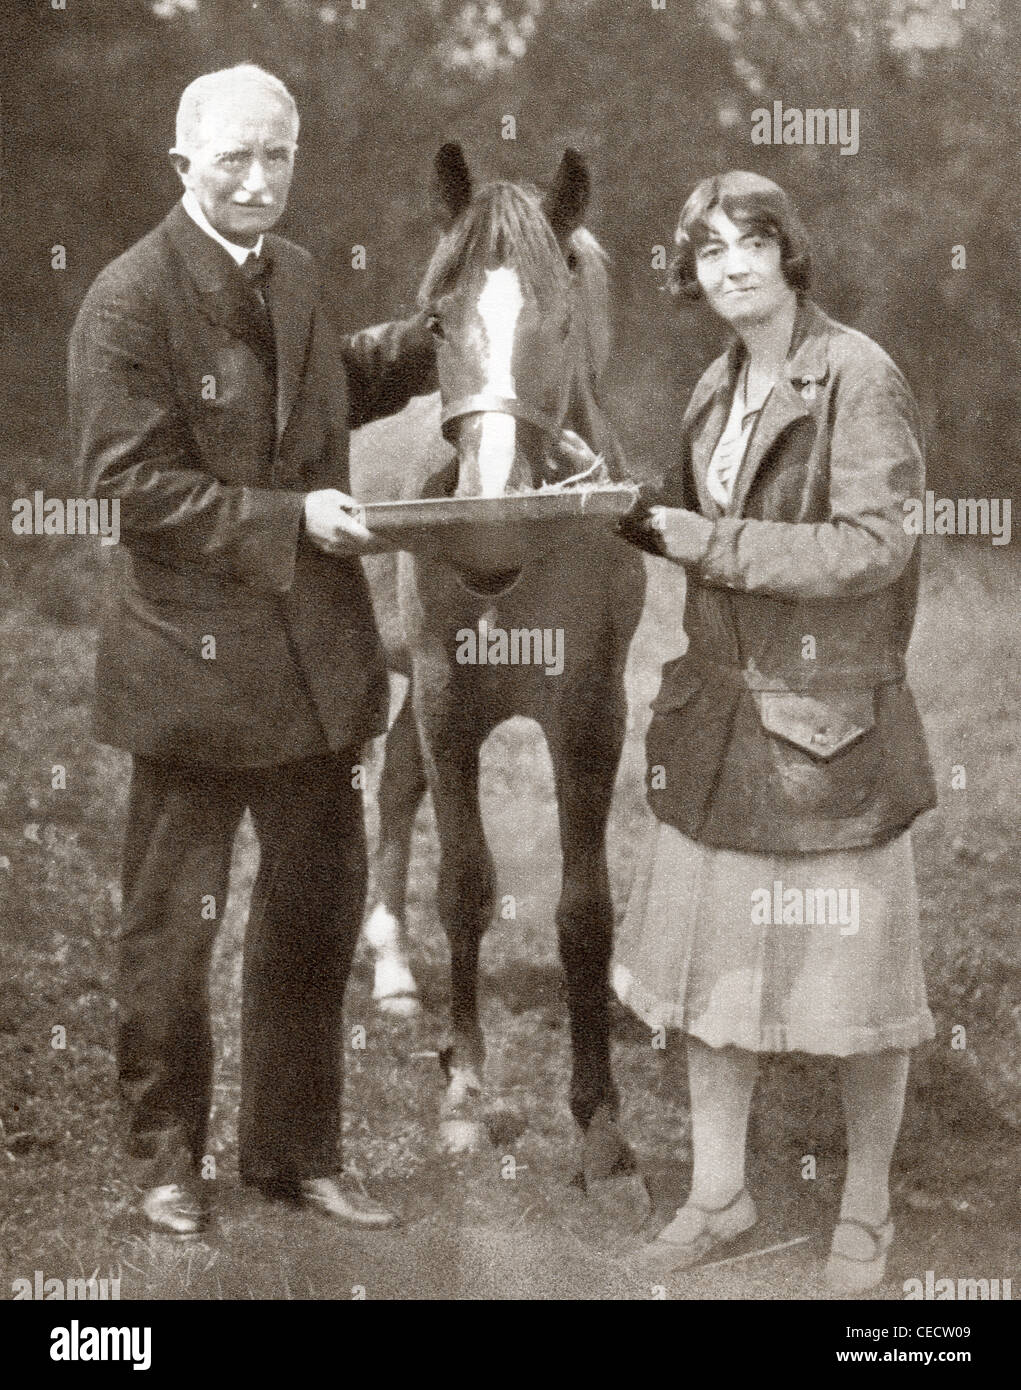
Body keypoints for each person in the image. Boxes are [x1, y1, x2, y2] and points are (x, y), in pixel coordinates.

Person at [67, 65, 436, 1236]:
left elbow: (335, 386)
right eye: (234, 156)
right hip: (189, 671)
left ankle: (295, 1154)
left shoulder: (299, 276)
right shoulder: (127, 300)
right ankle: (169, 1160)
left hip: (316, 674)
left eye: (278, 154)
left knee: (313, 916)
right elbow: (129, 488)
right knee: (174, 929)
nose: (259, 178)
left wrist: (446, 332)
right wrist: (292, 520)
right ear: (184, 163)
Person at [561, 170, 937, 1292]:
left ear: (787, 253)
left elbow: (874, 545)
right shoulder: (712, 385)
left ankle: (864, 1209)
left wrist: (698, 540)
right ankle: (719, 1194)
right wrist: (608, 497)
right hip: (720, 724)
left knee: (859, 994)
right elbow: (679, 519)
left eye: (749, 242)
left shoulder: (856, 375)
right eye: (707, 248)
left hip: (830, 730)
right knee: (715, 985)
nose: (728, 265)